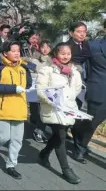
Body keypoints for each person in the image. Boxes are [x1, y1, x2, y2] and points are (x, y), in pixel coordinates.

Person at [36, 42, 82, 184]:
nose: (65, 56)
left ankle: (44, 154)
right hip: (53, 108)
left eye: (68, 54)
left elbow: (78, 87)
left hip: (68, 109)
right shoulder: (47, 70)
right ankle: (66, 169)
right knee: (61, 136)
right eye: (62, 53)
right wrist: (54, 101)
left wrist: (69, 99)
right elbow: (40, 90)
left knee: (58, 135)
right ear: (56, 53)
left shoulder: (74, 70)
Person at [0, 41, 33, 180]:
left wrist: (28, 69)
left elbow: (29, 84)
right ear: (5, 53)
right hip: (3, 107)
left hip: (19, 107)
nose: (17, 53)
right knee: (2, 137)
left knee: (17, 140)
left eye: (18, 51)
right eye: (13, 51)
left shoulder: (23, 68)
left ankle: (11, 165)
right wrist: (13, 88)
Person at [70, 29, 106, 164]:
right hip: (99, 90)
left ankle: (79, 136)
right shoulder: (93, 45)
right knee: (91, 123)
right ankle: (80, 147)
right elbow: (76, 60)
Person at [28, 40, 53, 143]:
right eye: (43, 47)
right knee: (37, 111)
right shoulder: (34, 60)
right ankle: (38, 130)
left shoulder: (53, 60)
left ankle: (40, 129)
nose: (45, 49)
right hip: (36, 90)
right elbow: (30, 73)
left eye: (47, 47)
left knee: (45, 111)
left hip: (49, 90)